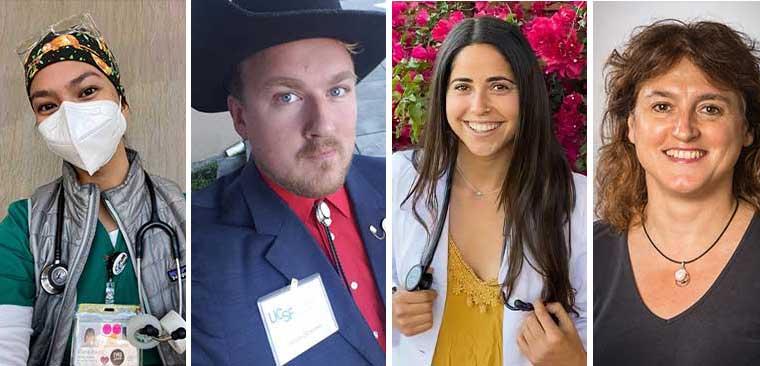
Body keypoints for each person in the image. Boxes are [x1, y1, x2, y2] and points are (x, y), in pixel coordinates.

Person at [190, 1, 386, 364]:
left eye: (338, 90)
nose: (322, 126)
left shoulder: (400, 189)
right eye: (287, 97)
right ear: (241, 117)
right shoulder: (200, 254)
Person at [392, 16, 587, 366]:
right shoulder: (401, 179)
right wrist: (391, 306)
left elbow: (598, 324)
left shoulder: (577, 202)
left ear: (526, 94)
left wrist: (575, 360)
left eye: (499, 86)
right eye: (463, 87)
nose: (479, 105)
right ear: (443, 95)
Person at [0, 14, 185, 366]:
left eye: (86, 92)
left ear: (122, 104)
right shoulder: (22, 228)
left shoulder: (183, 215)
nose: (69, 115)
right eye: (47, 106)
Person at [595, 19, 760, 365]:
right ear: (631, 126)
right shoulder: (587, 253)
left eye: (710, 108)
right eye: (662, 107)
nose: (684, 130)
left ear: (747, 129)